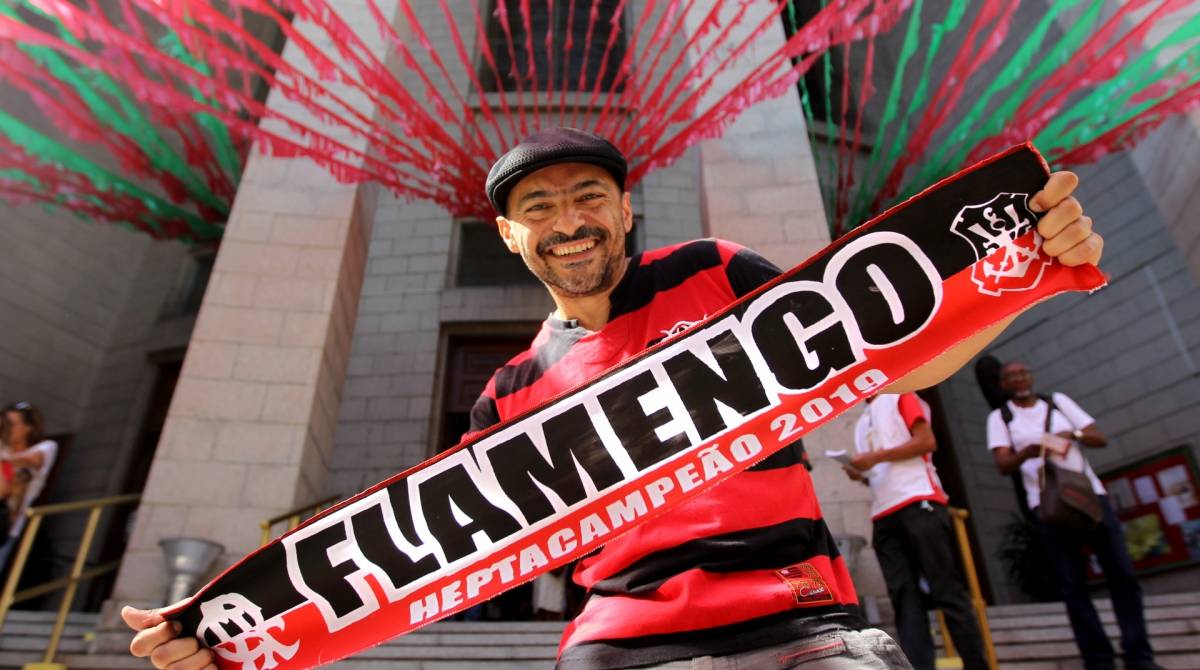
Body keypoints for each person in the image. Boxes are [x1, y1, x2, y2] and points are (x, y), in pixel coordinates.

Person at [124, 127, 1104, 670]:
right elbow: (411, 551)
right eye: (537, 207)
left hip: (805, 626)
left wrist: (1037, 264)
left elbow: (904, 362)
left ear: (627, 207)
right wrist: (223, 629)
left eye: (589, 195)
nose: (568, 220)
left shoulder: (721, 273)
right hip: (623, 648)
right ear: (510, 237)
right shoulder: (509, 391)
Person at [987, 362, 1161, 670]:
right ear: (1003, 384)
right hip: (1048, 503)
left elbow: (1098, 437)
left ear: (1031, 377)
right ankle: (1097, 658)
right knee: (1072, 583)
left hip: (1090, 496)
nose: (1019, 379)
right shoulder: (1001, 417)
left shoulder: (1057, 403)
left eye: (1023, 373)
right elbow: (1003, 464)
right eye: (1011, 377)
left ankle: (1139, 655)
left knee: (1122, 573)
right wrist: (1031, 449)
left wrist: (1073, 434)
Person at [844, 393, 987, 670]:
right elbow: (880, 471)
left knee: (947, 591)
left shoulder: (901, 396)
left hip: (919, 501)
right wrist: (860, 473)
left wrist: (876, 457)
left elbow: (926, 441)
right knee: (904, 600)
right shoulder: (862, 421)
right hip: (884, 512)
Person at [0, 401, 59, 569]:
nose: (7, 429)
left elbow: (31, 460)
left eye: (11, 424)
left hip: (5, 527)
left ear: (29, 428)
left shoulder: (45, 447)